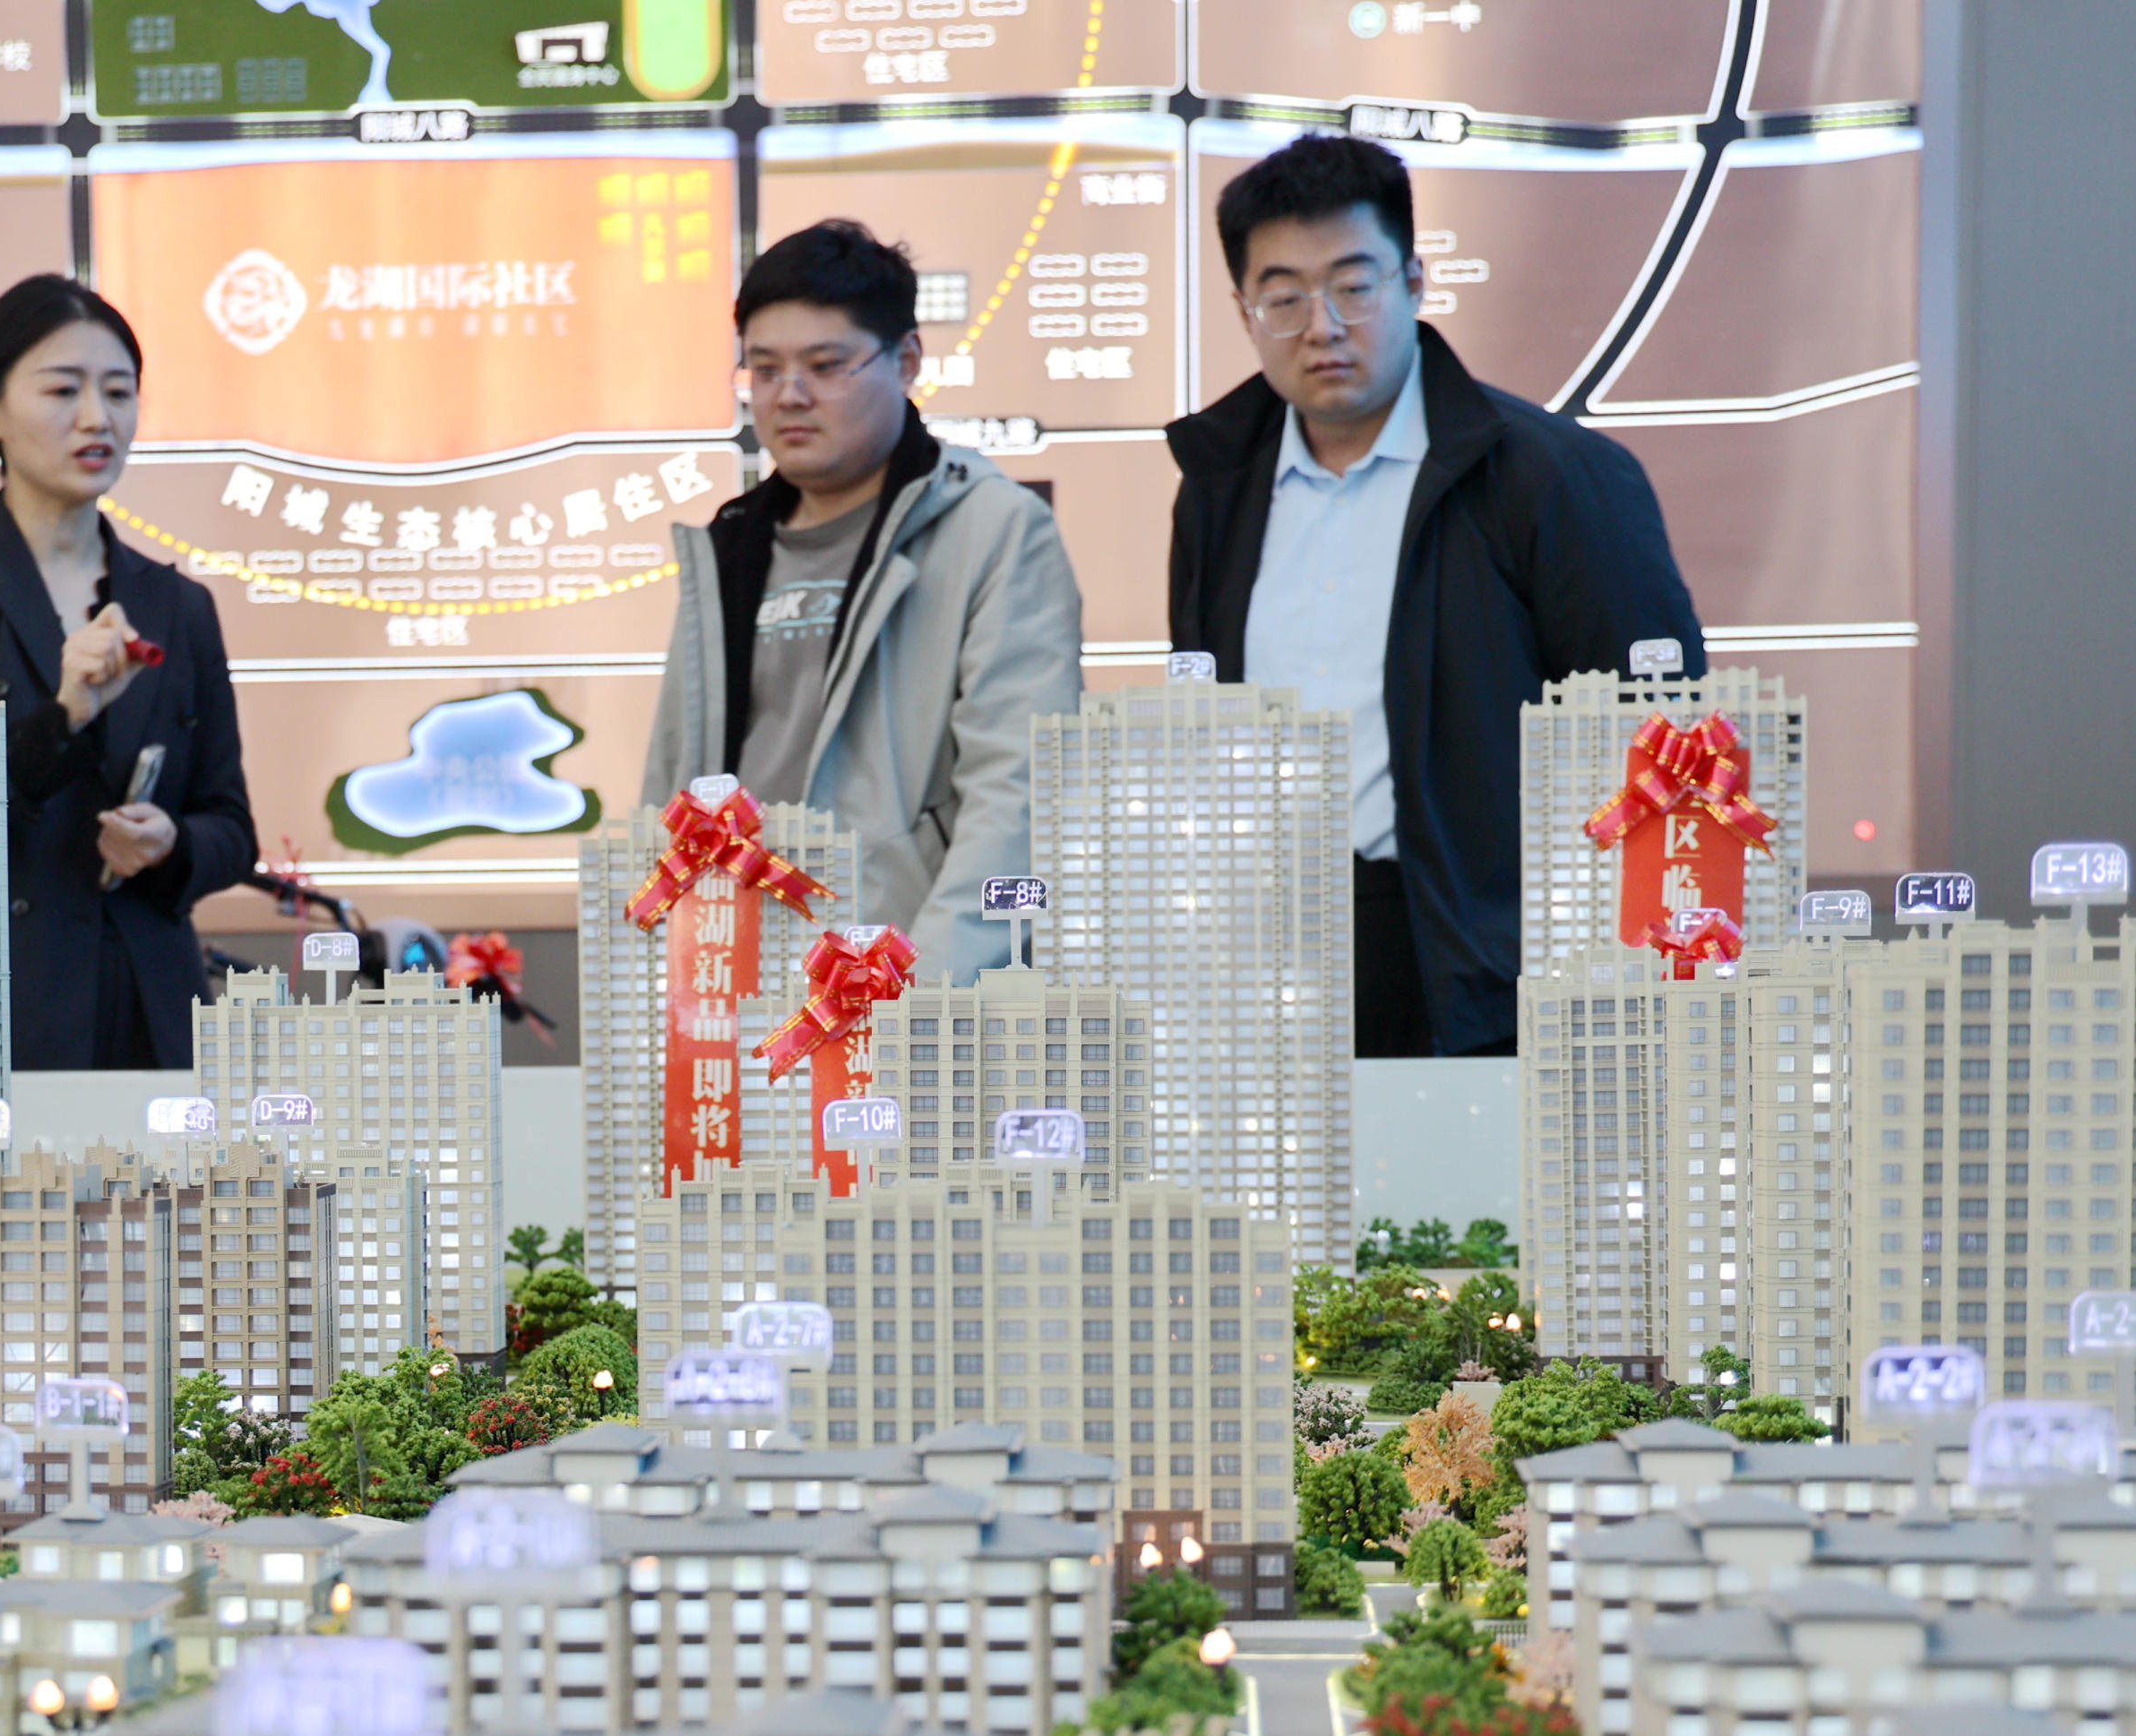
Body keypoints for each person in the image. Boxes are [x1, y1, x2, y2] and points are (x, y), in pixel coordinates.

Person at [1170, 133, 1705, 1058]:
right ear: (1243, 308)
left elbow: (1655, 747)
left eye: (1353, 284)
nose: (1322, 326)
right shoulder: (1216, 488)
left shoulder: (1551, 477)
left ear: (1414, 281)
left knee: (1470, 1209)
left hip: (1484, 967)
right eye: (1284, 296)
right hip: (1278, 971)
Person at [644, 219, 1083, 983]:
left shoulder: (995, 529)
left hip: (899, 983)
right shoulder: (728, 547)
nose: (790, 395)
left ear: (906, 360)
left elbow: (1015, 795)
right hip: (728, 989)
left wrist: (921, 996)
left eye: (825, 364)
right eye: (765, 368)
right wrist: (656, 982)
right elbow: (669, 790)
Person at [0, 272, 257, 1069]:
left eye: (118, 392)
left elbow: (231, 829)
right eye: (62, 390)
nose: (96, 418)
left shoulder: (178, 605)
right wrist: (65, 715)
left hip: (151, 1015)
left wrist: (172, 843)